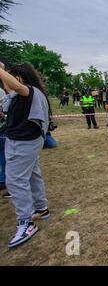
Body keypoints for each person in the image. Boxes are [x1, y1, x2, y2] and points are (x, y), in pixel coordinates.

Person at [0, 62, 51, 248]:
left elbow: (15, 86)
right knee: (32, 174)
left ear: (20, 77)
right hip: (25, 141)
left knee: (15, 180)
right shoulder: (22, 94)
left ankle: (26, 222)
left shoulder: (28, 91)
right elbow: (10, 88)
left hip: (23, 142)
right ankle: (41, 208)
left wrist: (2, 71)